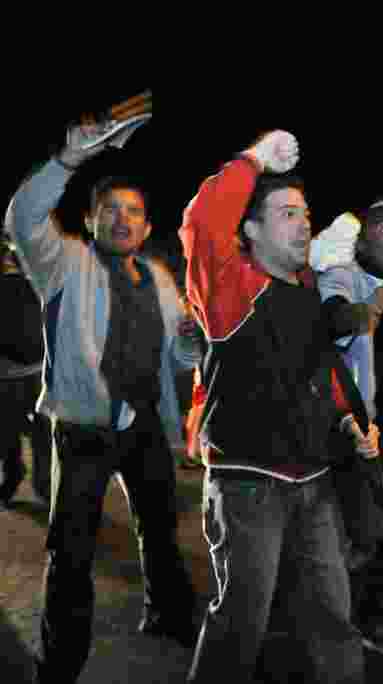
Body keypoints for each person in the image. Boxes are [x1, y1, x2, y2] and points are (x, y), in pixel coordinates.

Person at [5, 116, 200, 683]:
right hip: (86, 429)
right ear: (90, 220)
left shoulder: (159, 276)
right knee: (72, 552)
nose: (122, 219)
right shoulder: (65, 264)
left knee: (160, 528)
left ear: (146, 225)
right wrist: (67, 162)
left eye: (134, 211)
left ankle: (166, 613)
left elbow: (180, 360)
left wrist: (188, 347)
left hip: (145, 428)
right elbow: (21, 218)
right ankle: (59, 661)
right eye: (110, 209)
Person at [179, 130, 371, 683]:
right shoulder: (230, 289)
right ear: (251, 229)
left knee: (334, 620)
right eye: (286, 213)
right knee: (240, 627)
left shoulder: (304, 286)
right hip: (248, 484)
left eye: (305, 212)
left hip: (313, 479)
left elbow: (317, 371)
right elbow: (199, 224)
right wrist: (253, 159)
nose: (304, 222)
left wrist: (347, 422)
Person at [314, 202, 383, 655]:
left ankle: (367, 606)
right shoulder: (343, 276)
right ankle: (347, 622)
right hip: (348, 429)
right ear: (360, 240)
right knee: (361, 531)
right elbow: (332, 318)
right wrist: (368, 308)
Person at [0, 238, 51, 507]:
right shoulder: (38, 284)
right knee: (42, 432)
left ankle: (11, 478)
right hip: (38, 372)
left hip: (6, 376)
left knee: (7, 434)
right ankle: (44, 485)